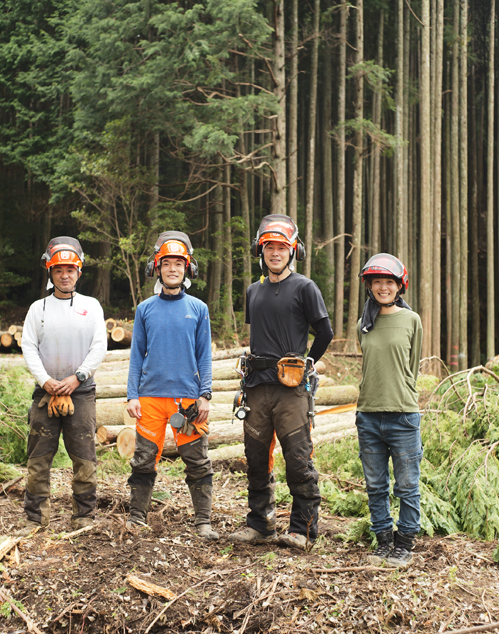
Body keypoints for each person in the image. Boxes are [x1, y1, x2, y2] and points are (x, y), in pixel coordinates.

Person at [229, 214, 333, 550]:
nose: (276, 253)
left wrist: (308, 362)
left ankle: (303, 530)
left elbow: (325, 332)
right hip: (256, 388)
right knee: (256, 459)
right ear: (261, 250)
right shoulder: (253, 291)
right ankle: (260, 523)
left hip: (291, 390)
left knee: (298, 458)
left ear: (294, 250)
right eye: (269, 247)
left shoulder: (305, 288)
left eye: (282, 247)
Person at [125, 231, 219, 540]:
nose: (173, 269)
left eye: (179, 263)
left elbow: (205, 354)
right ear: (158, 267)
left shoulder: (199, 309)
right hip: (150, 396)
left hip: (187, 401)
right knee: (143, 458)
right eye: (167, 263)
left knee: (197, 460)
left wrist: (205, 394)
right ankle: (137, 516)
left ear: (188, 268)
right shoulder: (145, 309)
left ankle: (203, 521)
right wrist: (132, 394)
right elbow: (136, 354)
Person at [20, 237, 107, 532]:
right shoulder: (38, 309)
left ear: (79, 272)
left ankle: (83, 517)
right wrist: (45, 380)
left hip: (80, 393)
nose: (65, 275)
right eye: (59, 270)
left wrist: (77, 377)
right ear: (50, 271)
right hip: (45, 395)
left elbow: (99, 346)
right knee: (38, 458)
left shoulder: (91, 307)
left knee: (84, 458)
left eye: (70, 269)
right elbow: (29, 347)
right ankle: (35, 518)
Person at [354, 253, 423, 567]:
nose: (383, 287)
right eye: (377, 282)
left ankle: (405, 543)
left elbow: (412, 367)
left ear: (399, 286)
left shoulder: (411, 320)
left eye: (389, 282)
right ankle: (383, 540)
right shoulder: (363, 325)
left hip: (403, 415)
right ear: (370, 286)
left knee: (407, 485)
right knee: (376, 485)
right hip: (368, 414)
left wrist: (400, 395)